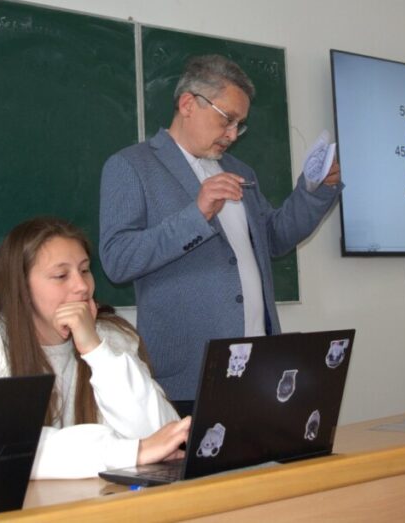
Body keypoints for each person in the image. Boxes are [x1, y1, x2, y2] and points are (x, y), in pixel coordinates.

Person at [99, 54, 342, 413]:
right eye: (227, 119)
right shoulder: (131, 166)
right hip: (189, 375)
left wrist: (314, 191)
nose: (232, 135)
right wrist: (196, 214)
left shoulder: (240, 169)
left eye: (239, 125)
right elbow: (118, 260)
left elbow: (273, 239)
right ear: (188, 104)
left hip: (259, 364)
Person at [0, 216, 189, 479]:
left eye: (85, 270)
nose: (82, 287)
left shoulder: (108, 336)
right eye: (61, 275)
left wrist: (96, 350)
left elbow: (166, 435)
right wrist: (129, 452)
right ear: (22, 288)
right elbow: (1, 449)